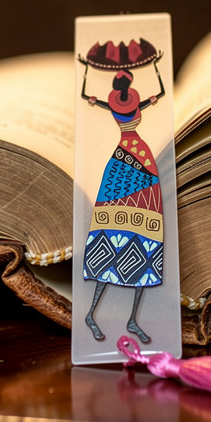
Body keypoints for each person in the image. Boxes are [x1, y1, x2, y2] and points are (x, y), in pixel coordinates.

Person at [78, 43, 165, 344]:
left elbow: (84, 97)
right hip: (137, 158)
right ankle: (101, 315)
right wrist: (156, 68)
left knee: (132, 233)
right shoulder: (129, 105)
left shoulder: (113, 104)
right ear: (129, 87)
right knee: (127, 232)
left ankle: (126, 319)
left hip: (129, 161)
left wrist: (87, 73)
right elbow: (162, 92)